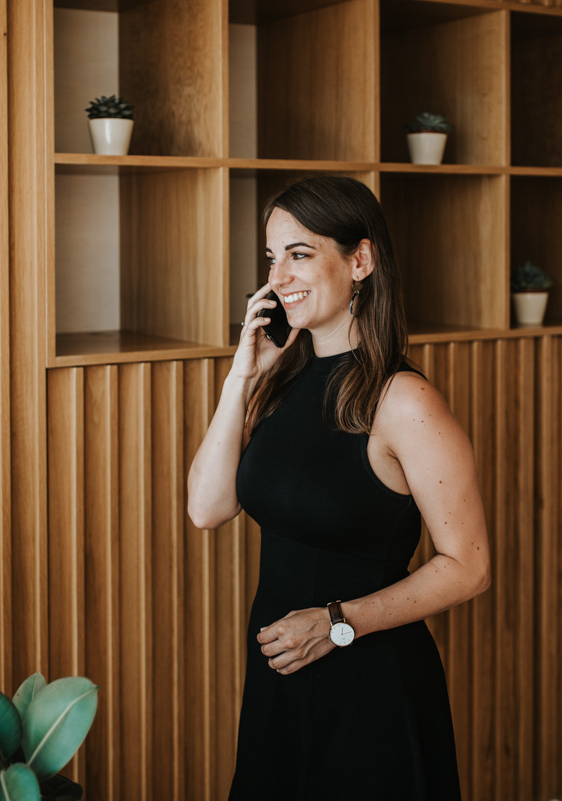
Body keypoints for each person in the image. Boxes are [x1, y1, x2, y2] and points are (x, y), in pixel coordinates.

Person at [187, 176, 490, 800]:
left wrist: (338, 622)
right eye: (271, 258)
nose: (279, 277)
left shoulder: (404, 401)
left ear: (361, 260)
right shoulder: (278, 383)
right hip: (281, 675)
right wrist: (239, 377)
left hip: (368, 687)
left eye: (300, 254)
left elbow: (469, 566)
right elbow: (206, 508)